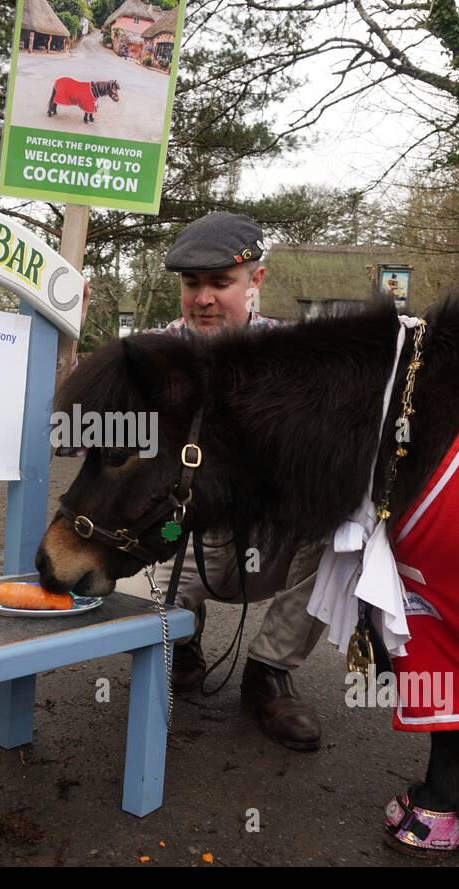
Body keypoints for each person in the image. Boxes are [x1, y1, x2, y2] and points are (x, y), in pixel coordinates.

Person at [92, 212, 328, 750]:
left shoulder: (296, 361)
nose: (203, 299)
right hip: (178, 542)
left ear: (255, 282)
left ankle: (268, 675)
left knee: (345, 538)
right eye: (191, 283)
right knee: (104, 590)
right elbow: (77, 432)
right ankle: (183, 637)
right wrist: (64, 335)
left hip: (266, 545)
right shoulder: (152, 355)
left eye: (221, 283)